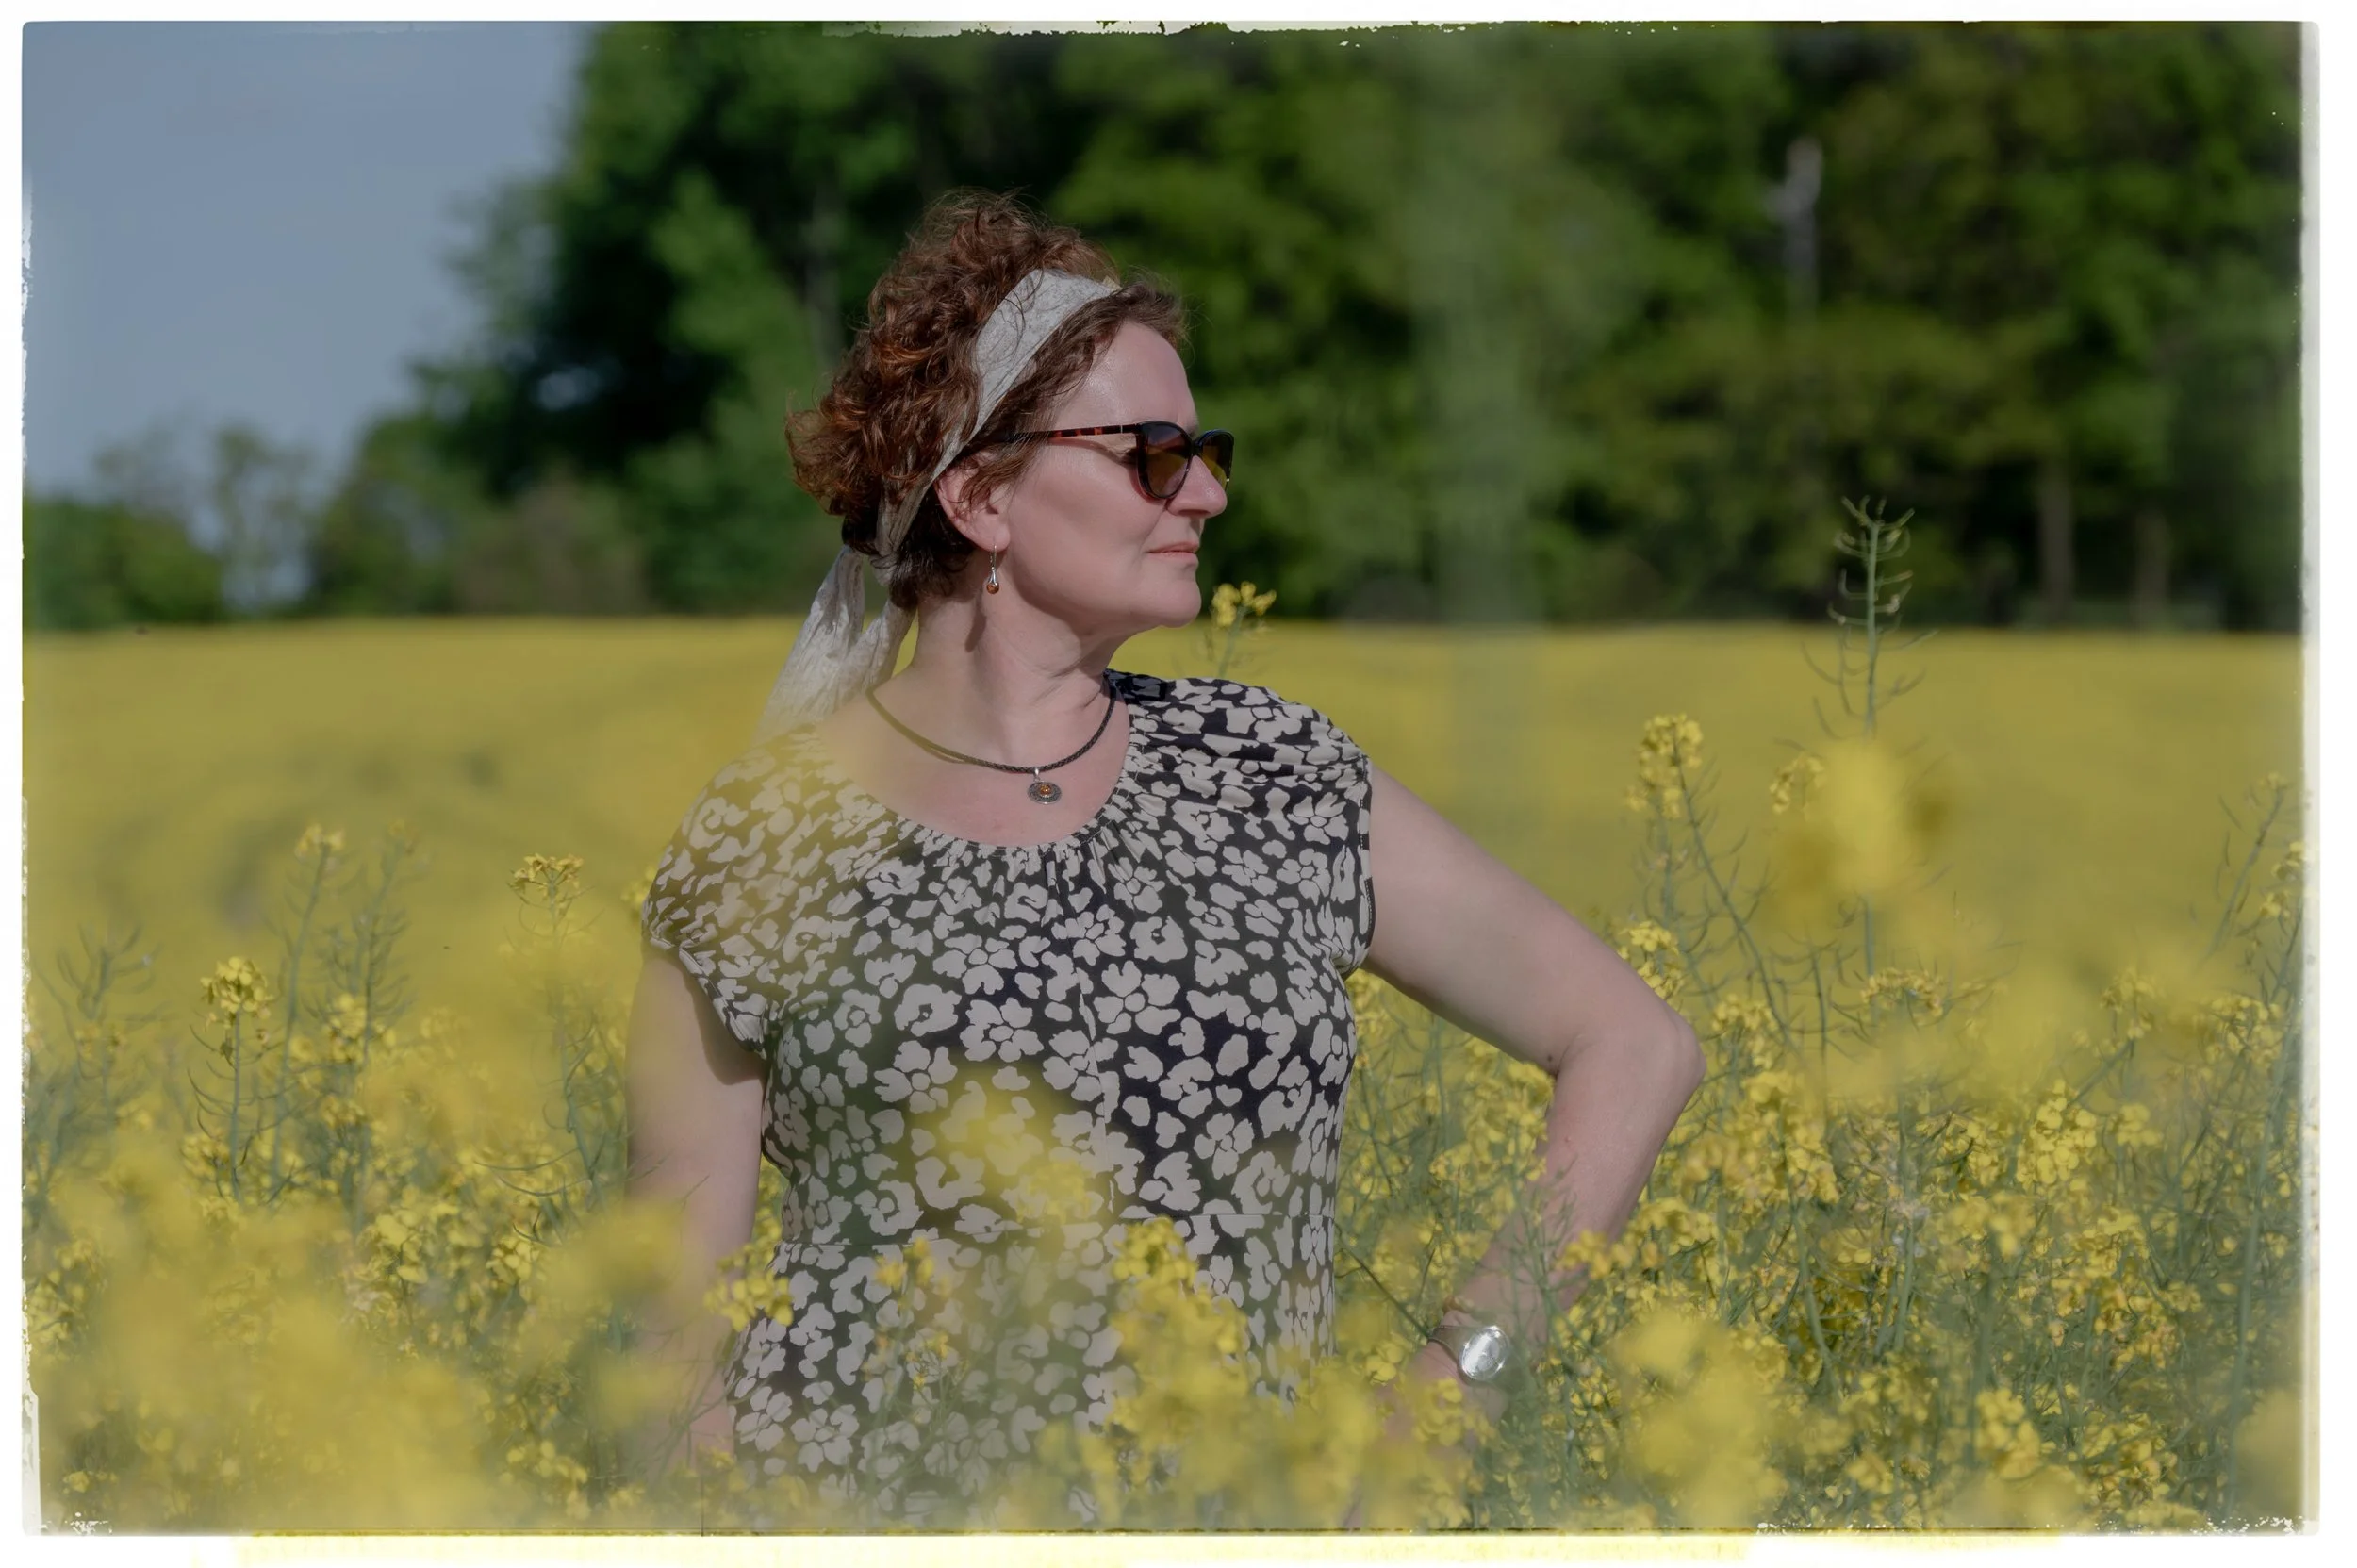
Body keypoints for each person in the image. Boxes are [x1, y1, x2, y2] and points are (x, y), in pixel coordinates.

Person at [625, 190, 1704, 1526]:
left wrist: (1452, 1387)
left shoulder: (1276, 782)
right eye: (1151, 454)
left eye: (1204, 450)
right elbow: (668, 1341)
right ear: (981, 493)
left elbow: (1636, 1047)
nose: (1209, 488)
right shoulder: (762, 840)